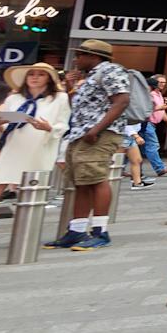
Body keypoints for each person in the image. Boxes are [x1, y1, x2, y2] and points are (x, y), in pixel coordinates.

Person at [54, 39, 133, 250]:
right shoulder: (90, 77)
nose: (76, 59)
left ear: (94, 57)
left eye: (80, 55)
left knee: (96, 178)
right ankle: (77, 230)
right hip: (82, 133)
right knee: (82, 181)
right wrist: (71, 88)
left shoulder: (111, 71)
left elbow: (122, 100)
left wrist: (97, 129)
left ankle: (100, 230)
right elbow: (82, 108)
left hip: (98, 134)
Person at [0, 63, 66, 212]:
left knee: (32, 192)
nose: (35, 77)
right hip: (14, 147)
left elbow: (63, 125)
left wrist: (49, 128)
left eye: (41, 74)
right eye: (31, 74)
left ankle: (27, 229)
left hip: (39, 148)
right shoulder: (14, 98)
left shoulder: (60, 98)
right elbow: (6, 127)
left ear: (49, 79)